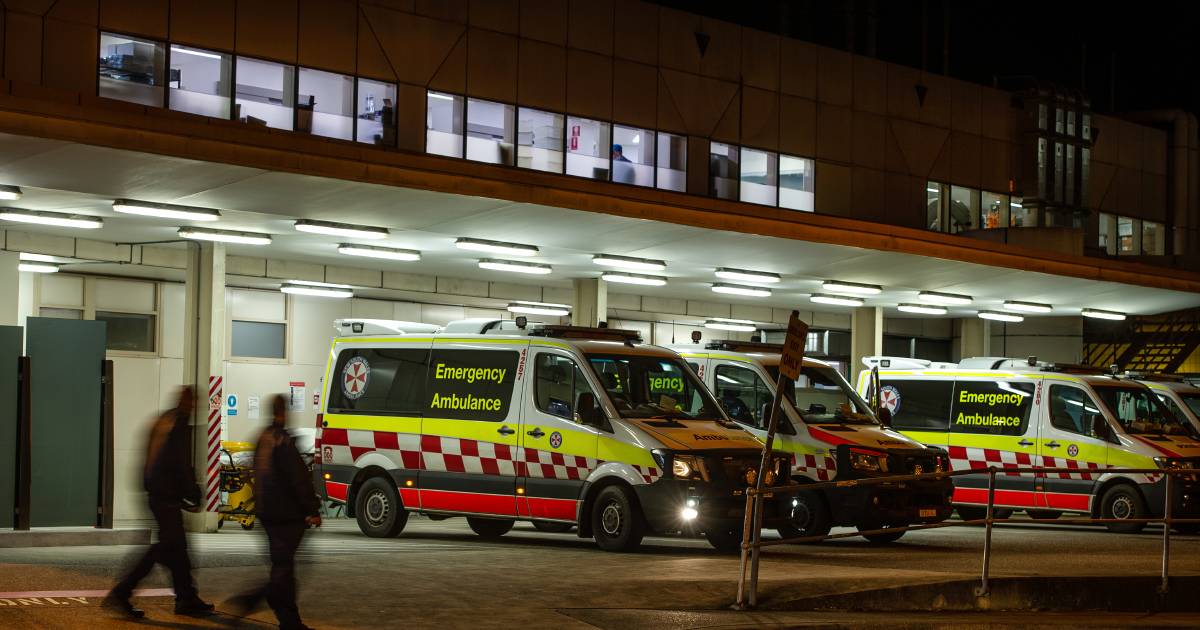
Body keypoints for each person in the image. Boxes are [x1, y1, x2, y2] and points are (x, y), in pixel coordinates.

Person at [106, 386, 214, 619]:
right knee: (165, 549)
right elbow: (180, 463)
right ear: (187, 401)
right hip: (165, 497)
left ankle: (186, 597)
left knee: (178, 550)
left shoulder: (164, 419)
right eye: (194, 400)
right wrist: (193, 494)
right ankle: (122, 593)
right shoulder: (179, 423)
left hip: (158, 494)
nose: (196, 405)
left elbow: (154, 460)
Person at [229, 394, 321, 630]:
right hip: (285, 516)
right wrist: (312, 509)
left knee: (282, 567)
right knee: (284, 570)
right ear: (283, 413)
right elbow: (298, 479)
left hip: (267, 514)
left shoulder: (262, 437)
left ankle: (283, 615)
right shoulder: (283, 440)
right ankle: (264, 605)